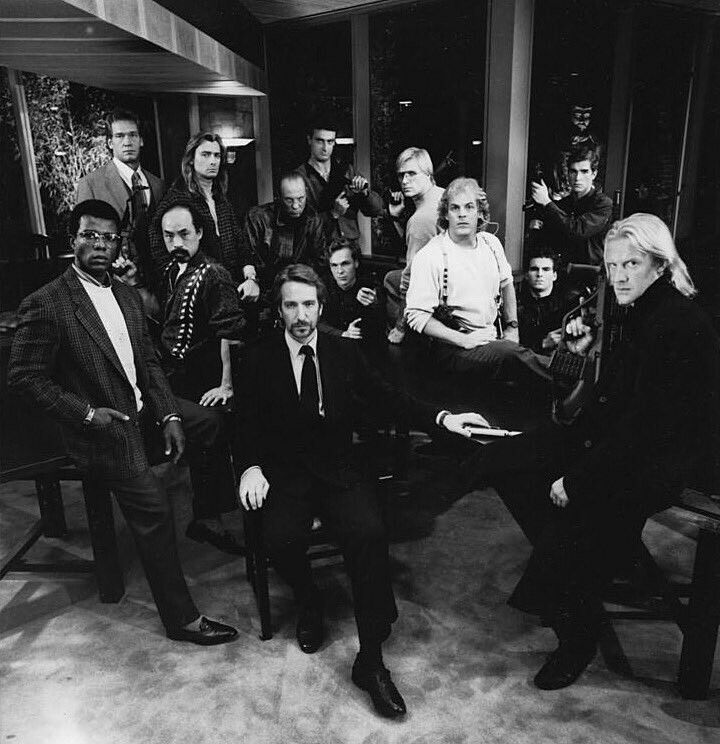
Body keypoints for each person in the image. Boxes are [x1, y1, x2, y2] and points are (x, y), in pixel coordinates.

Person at [465, 213, 720, 690]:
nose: (619, 276)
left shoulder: (676, 324)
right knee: (505, 460)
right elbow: (610, 402)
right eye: (612, 265)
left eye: (631, 264)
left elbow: (647, 429)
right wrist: (578, 362)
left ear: (660, 265)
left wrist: (576, 480)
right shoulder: (643, 310)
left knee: (573, 514)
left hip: (663, 462)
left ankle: (577, 631)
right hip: (625, 441)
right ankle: (572, 564)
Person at [236, 263, 487, 718]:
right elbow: (245, 422)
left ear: (321, 306)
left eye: (308, 304)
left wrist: (443, 418)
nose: (301, 315)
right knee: (279, 538)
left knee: (369, 534)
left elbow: (390, 398)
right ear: (279, 309)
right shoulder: (257, 357)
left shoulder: (342, 352)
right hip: (287, 472)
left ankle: (371, 661)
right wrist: (251, 466)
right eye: (291, 305)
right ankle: (309, 600)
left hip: (339, 469)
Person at [7, 199, 238, 645]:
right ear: (72, 240)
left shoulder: (128, 296)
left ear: (119, 245)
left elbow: (148, 363)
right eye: (89, 235)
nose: (99, 245)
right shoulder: (47, 303)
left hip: (142, 410)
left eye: (108, 238)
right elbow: (23, 378)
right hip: (103, 427)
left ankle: (207, 516)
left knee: (212, 423)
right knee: (155, 507)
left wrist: (170, 413)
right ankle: (182, 619)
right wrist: (87, 414)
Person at [153, 198, 248, 554]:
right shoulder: (171, 270)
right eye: (169, 236)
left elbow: (231, 332)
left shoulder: (214, 274)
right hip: (176, 373)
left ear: (200, 232)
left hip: (206, 375)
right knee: (196, 446)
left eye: (184, 234)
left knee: (211, 437)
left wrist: (227, 384)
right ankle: (205, 518)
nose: (176, 243)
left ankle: (216, 522)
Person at [405, 177, 551, 385]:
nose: (462, 214)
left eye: (469, 207)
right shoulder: (431, 256)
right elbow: (416, 315)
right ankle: (574, 384)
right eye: (455, 208)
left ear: (480, 212)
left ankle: (571, 377)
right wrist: (462, 340)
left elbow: (506, 283)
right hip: (453, 347)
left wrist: (512, 327)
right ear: (446, 214)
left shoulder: (490, 244)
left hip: (491, 337)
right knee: (511, 356)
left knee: (523, 351)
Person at [76, 108, 165, 298]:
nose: (127, 142)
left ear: (141, 140)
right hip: (113, 284)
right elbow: (84, 244)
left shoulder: (158, 185)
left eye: (133, 135)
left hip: (157, 283)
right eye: (119, 136)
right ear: (110, 142)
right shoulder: (91, 184)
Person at [149, 132, 242, 286]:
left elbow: (239, 240)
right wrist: (182, 281)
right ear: (191, 159)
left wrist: (249, 273)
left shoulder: (221, 199)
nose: (213, 161)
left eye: (217, 156)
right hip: (198, 286)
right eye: (205, 155)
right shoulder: (177, 198)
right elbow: (157, 246)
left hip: (231, 283)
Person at [384, 147, 445, 344]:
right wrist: (396, 217)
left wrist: (399, 328)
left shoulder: (421, 219)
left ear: (428, 174)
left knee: (392, 280)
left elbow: (411, 281)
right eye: (401, 175)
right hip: (458, 287)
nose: (404, 181)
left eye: (412, 173)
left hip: (439, 298)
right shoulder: (444, 196)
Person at [240, 171, 326, 301]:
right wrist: (251, 279)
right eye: (289, 200)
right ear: (279, 196)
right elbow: (247, 257)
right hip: (262, 292)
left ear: (306, 193)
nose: (296, 206)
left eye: (300, 199)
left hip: (300, 289)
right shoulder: (257, 217)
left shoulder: (314, 219)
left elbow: (320, 262)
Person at [297, 122, 383, 244]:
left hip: (350, 247)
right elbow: (299, 226)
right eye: (320, 141)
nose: (325, 148)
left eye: (330, 141)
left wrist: (365, 193)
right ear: (309, 140)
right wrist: (333, 214)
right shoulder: (299, 178)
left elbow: (376, 210)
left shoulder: (347, 171)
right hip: (318, 248)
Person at [530, 144, 613, 266]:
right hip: (563, 269)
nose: (578, 178)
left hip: (589, 271)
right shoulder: (564, 203)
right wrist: (537, 227)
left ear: (594, 174)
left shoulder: (603, 204)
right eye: (573, 171)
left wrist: (547, 203)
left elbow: (578, 230)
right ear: (568, 173)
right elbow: (549, 239)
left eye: (584, 171)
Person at [318, 238, 385, 352]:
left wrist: (374, 304)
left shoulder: (369, 285)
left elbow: (379, 327)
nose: (340, 271)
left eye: (345, 264)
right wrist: (343, 334)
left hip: (363, 349)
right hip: (332, 345)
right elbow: (315, 323)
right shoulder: (323, 286)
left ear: (356, 263)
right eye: (334, 265)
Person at [517, 249, 576, 355]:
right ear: (526, 275)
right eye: (534, 269)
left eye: (546, 269)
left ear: (554, 275)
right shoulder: (517, 305)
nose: (540, 274)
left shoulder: (568, 305)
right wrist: (542, 344)